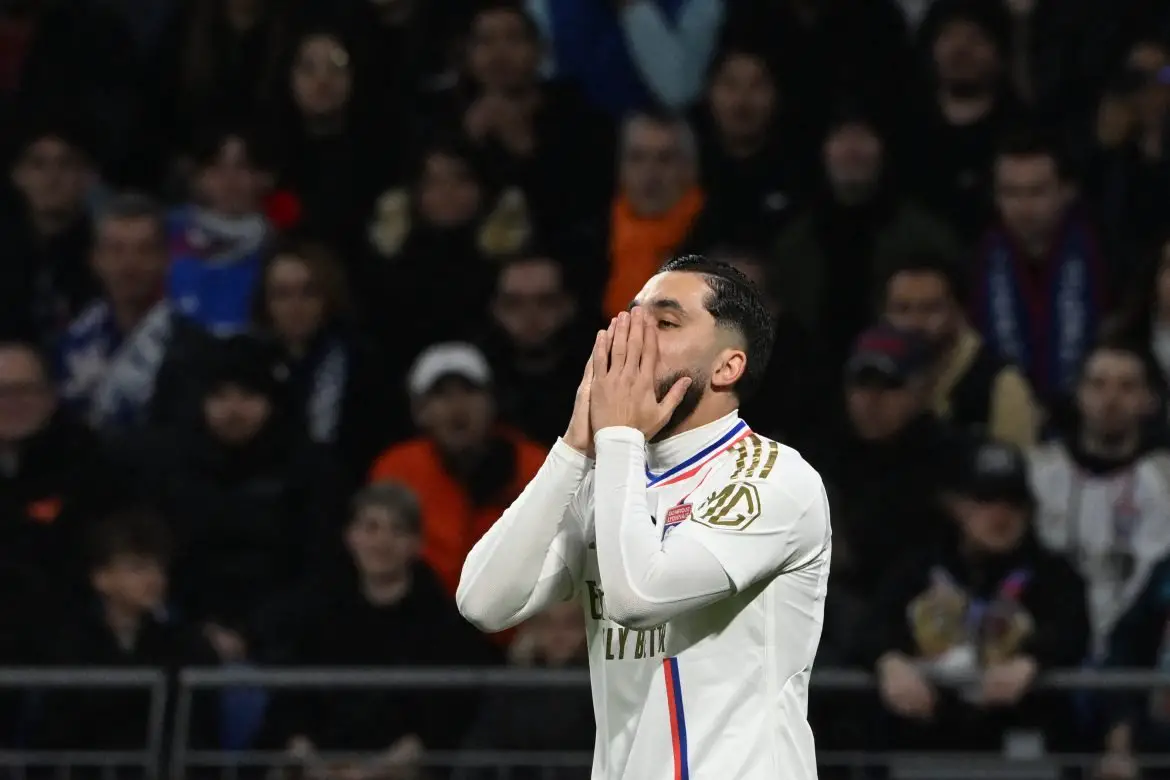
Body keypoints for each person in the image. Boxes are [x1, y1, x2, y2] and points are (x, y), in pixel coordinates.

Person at [458, 254, 831, 780]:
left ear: (727, 367)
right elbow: (483, 601)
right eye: (632, 318)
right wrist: (574, 449)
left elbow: (638, 598)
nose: (633, 338)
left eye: (666, 322)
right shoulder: (608, 475)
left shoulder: (774, 479)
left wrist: (617, 437)